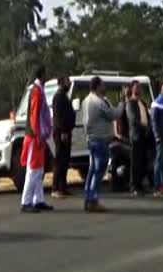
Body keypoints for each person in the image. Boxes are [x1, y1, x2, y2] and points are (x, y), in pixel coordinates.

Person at [82, 76, 125, 212]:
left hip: (91, 139)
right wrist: (122, 103)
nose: (105, 87)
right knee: (99, 171)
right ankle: (93, 200)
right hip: (100, 140)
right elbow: (114, 115)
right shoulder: (98, 102)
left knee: (92, 169)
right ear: (97, 87)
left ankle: (88, 197)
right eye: (103, 85)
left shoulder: (86, 100)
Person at [20, 66, 54, 213]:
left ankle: (38, 200)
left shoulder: (39, 90)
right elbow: (34, 116)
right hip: (35, 136)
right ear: (42, 75)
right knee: (33, 170)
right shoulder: (36, 91)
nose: (48, 76)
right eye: (46, 73)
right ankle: (26, 201)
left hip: (38, 135)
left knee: (39, 170)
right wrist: (38, 135)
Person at [51, 77, 75, 198]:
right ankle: (55, 188)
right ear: (61, 83)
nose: (69, 84)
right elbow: (58, 117)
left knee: (65, 160)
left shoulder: (64, 96)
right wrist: (63, 132)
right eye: (67, 81)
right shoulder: (58, 97)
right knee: (59, 160)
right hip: (61, 132)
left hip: (67, 131)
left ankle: (63, 187)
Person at [126, 81, 151, 197]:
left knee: (142, 162)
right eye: (136, 87)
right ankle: (133, 186)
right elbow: (133, 120)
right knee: (135, 163)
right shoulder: (130, 103)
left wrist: (149, 128)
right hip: (136, 136)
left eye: (140, 88)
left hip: (144, 136)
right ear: (131, 89)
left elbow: (148, 118)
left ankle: (140, 185)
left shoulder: (143, 103)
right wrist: (144, 127)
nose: (138, 90)